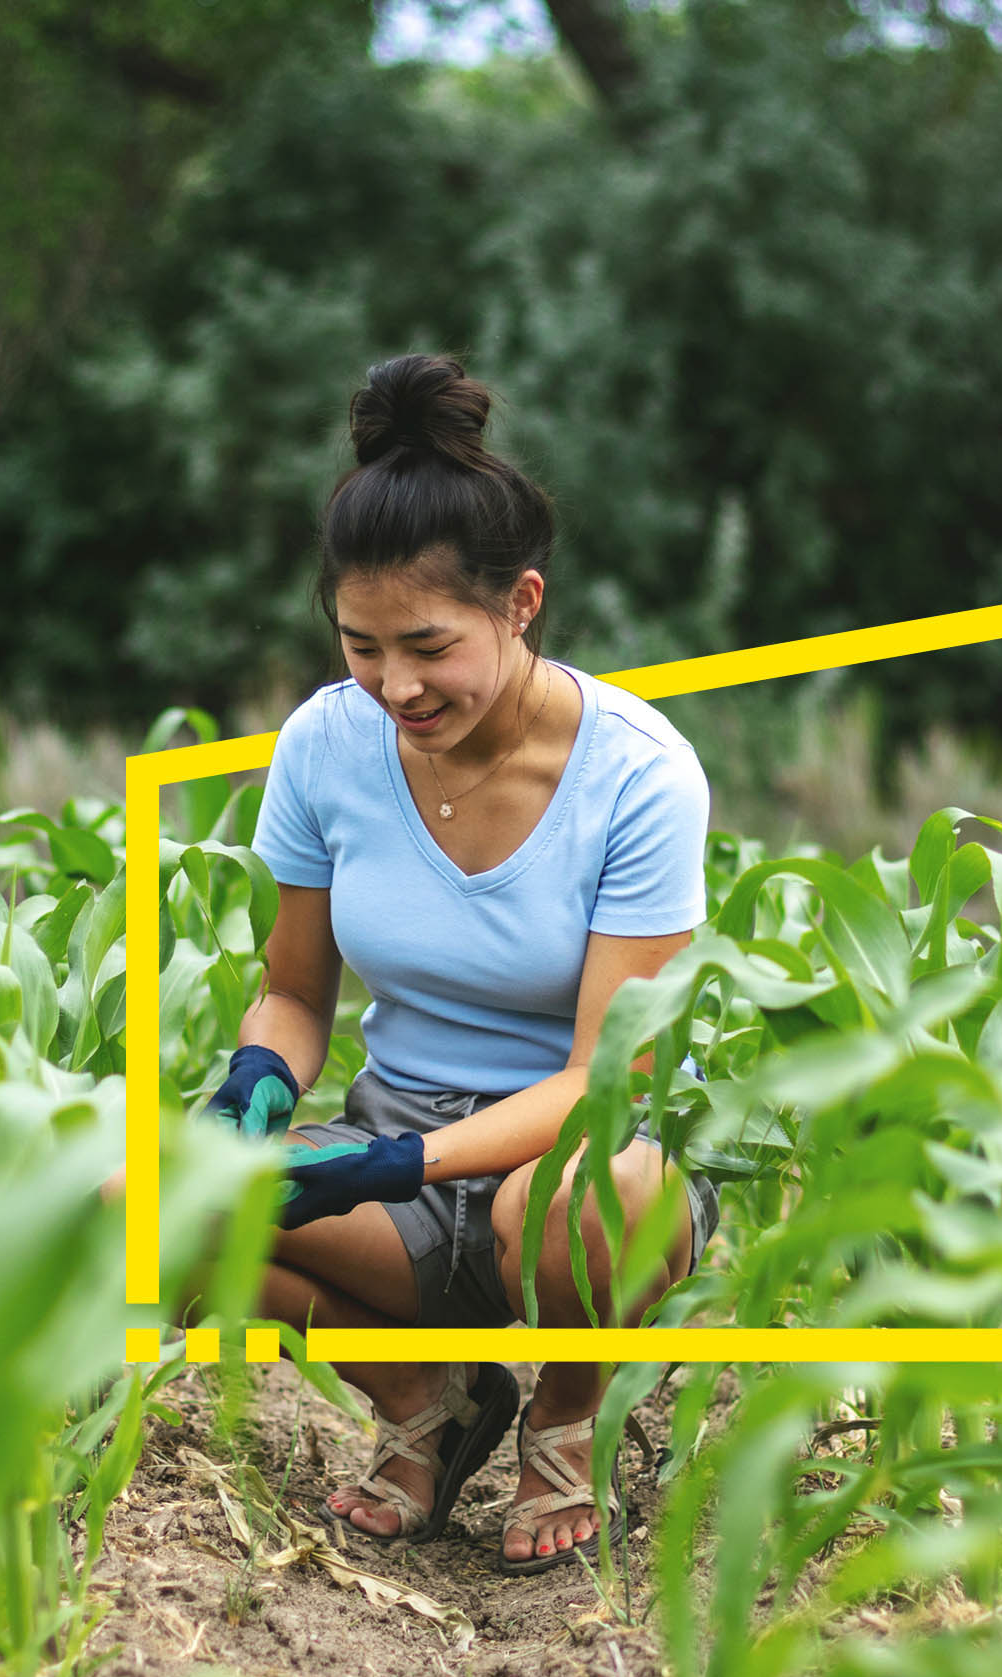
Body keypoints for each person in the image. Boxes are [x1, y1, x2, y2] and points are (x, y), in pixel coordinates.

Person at [199, 353, 715, 1568]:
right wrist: (253, 1091)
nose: (395, 686)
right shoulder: (326, 747)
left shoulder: (639, 775)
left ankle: (570, 1417)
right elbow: (293, 990)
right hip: (406, 1168)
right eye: (360, 647)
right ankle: (432, 1402)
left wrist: (391, 1164)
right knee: (142, 1199)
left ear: (522, 603)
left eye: (428, 645)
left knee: (598, 1196)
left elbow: (607, 1077)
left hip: (573, 1166)